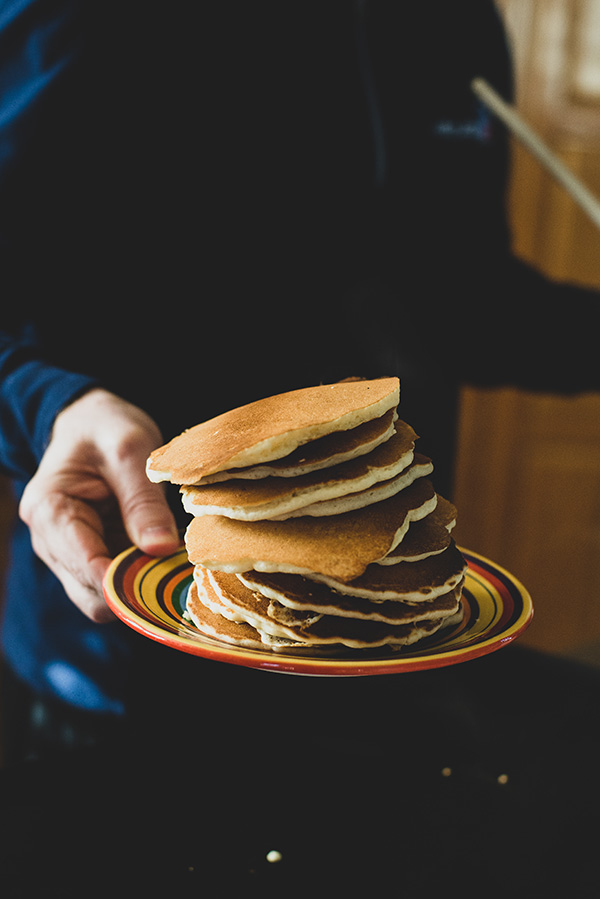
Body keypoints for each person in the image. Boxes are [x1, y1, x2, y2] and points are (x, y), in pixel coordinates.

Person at [1, 0, 599, 761]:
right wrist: (46, 401)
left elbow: (465, 304)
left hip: (392, 646)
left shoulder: (452, 22)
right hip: (131, 652)